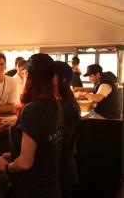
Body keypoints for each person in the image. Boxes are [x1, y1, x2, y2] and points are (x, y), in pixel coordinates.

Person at [0, 53, 62, 198]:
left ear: (29, 76)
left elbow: (25, 162)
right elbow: (42, 147)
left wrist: (6, 167)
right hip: (49, 188)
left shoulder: (32, 110)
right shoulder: (50, 105)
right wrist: (15, 153)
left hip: (33, 190)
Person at [55, 61, 80, 198]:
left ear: (63, 79)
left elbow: (62, 143)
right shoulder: (61, 103)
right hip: (60, 170)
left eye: (51, 76)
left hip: (64, 172)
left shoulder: (68, 107)